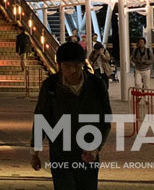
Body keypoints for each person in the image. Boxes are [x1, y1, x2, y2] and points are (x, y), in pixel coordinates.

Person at [31, 42, 111, 190]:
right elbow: (41, 116)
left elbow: (105, 119)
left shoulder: (96, 85)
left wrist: (96, 148)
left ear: (82, 64)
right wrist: (35, 151)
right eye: (67, 66)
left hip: (88, 150)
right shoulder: (51, 86)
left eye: (77, 65)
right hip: (60, 150)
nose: (72, 70)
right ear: (60, 65)